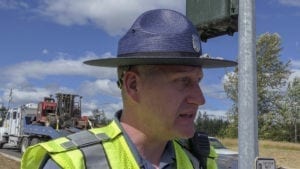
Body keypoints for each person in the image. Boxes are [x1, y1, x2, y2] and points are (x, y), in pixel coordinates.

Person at [21, 9, 236, 169]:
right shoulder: (73, 164)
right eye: (183, 81)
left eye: (198, 81)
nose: (200, 99)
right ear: (133, 85)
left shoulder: (197, 161)